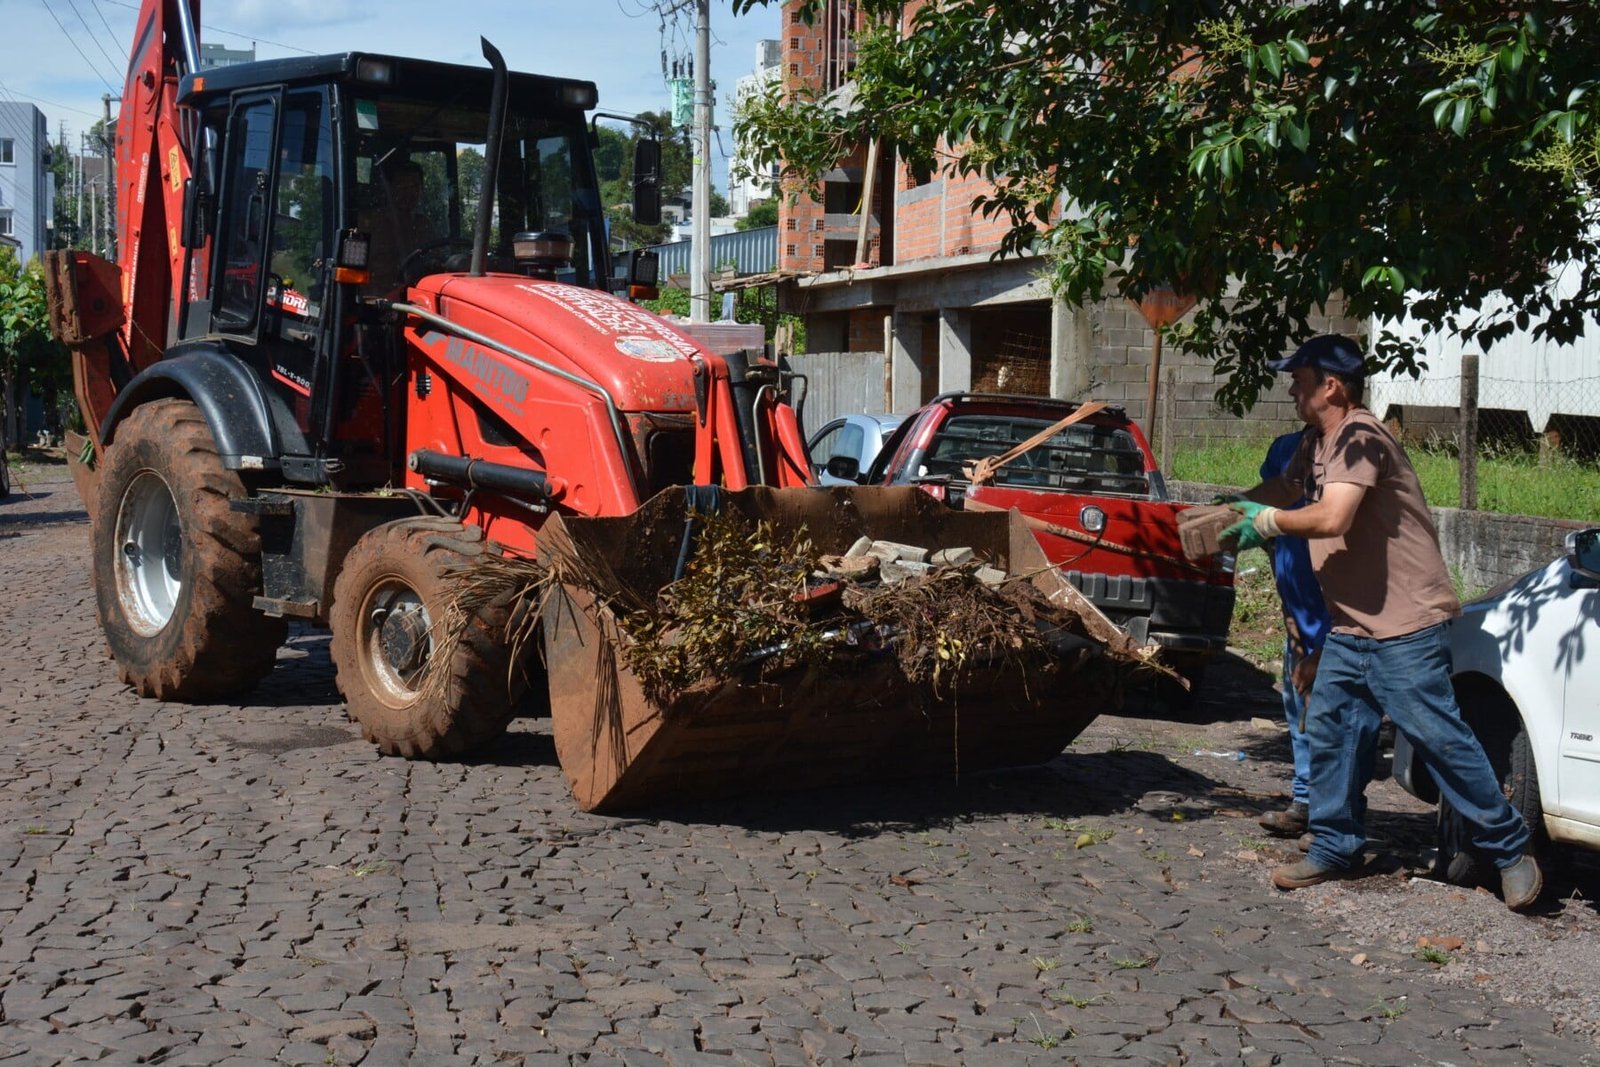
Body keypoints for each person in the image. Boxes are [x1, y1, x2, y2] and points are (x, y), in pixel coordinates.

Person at [1224, 334, 1542, 912]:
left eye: (1300, 379)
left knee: (1441, 739)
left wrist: (1266, 523)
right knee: (1333, 731)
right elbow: (1287, 490)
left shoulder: (1363, 437)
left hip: (1405, 625)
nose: (1292, 389)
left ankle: (1511, 850)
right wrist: (1226, 512)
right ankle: (1335, 845)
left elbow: (1332, 514)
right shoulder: (1316, 443)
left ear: (1332, 386)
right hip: (1350, 625)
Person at [1255, 427, 1331, 840]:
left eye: (1301, 382)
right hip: (1298, 612)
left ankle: (1336, 816)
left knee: (1338, 715)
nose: (1293, 393)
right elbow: (1264, 526)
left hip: (1343, 617)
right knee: (1297, 705)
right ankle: (1304, 801)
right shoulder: (1283, 449)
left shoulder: (1352, 458)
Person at [362, 156, 439, 290]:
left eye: (414, 186)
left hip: (418, 295)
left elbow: (436, 258)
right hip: (380, 300)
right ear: (390, 189)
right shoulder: (372, 224)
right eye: (402, 186)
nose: (410, 193)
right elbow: (373, 269)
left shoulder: (424, 225)